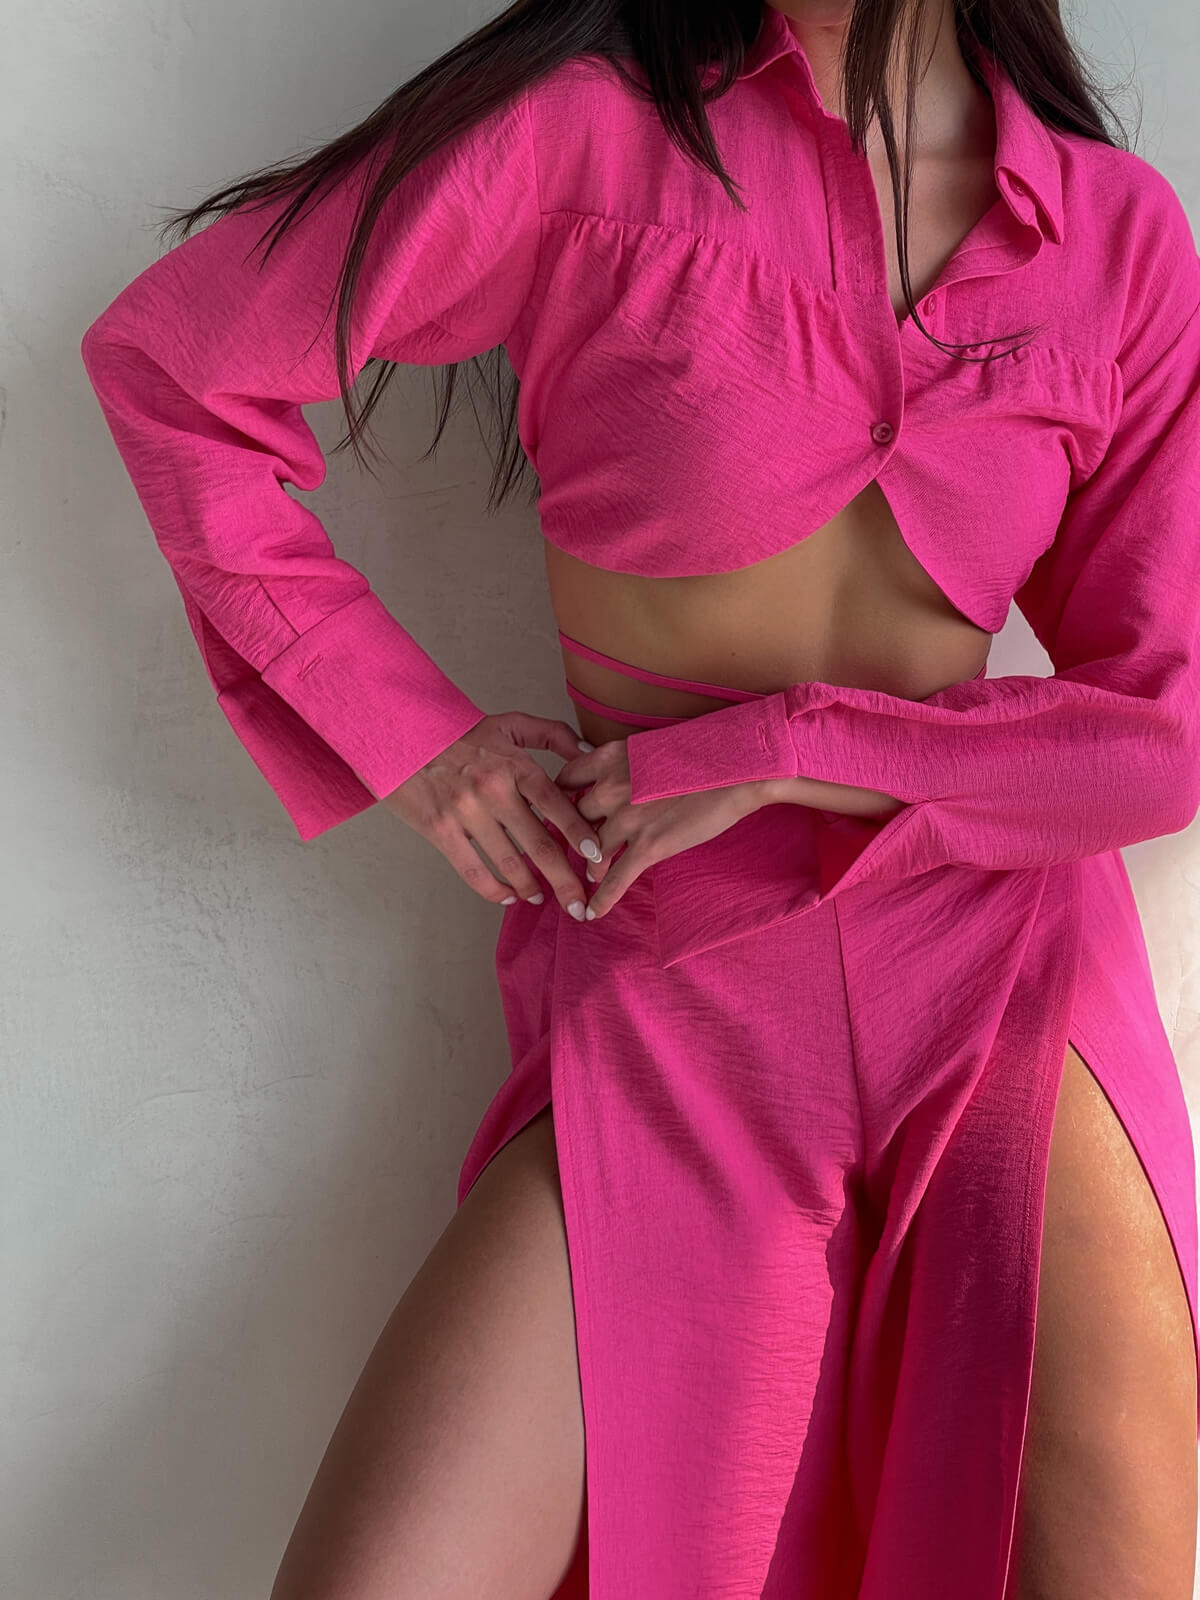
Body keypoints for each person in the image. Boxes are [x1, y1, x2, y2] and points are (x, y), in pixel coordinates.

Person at [80, 0, 1200, 1594]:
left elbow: (1160, 732)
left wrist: (791, 745)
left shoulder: (1118, 237)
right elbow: (175, 365)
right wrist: (415, 742)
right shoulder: (580, 137)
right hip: (668, 970)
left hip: (1004, 975)